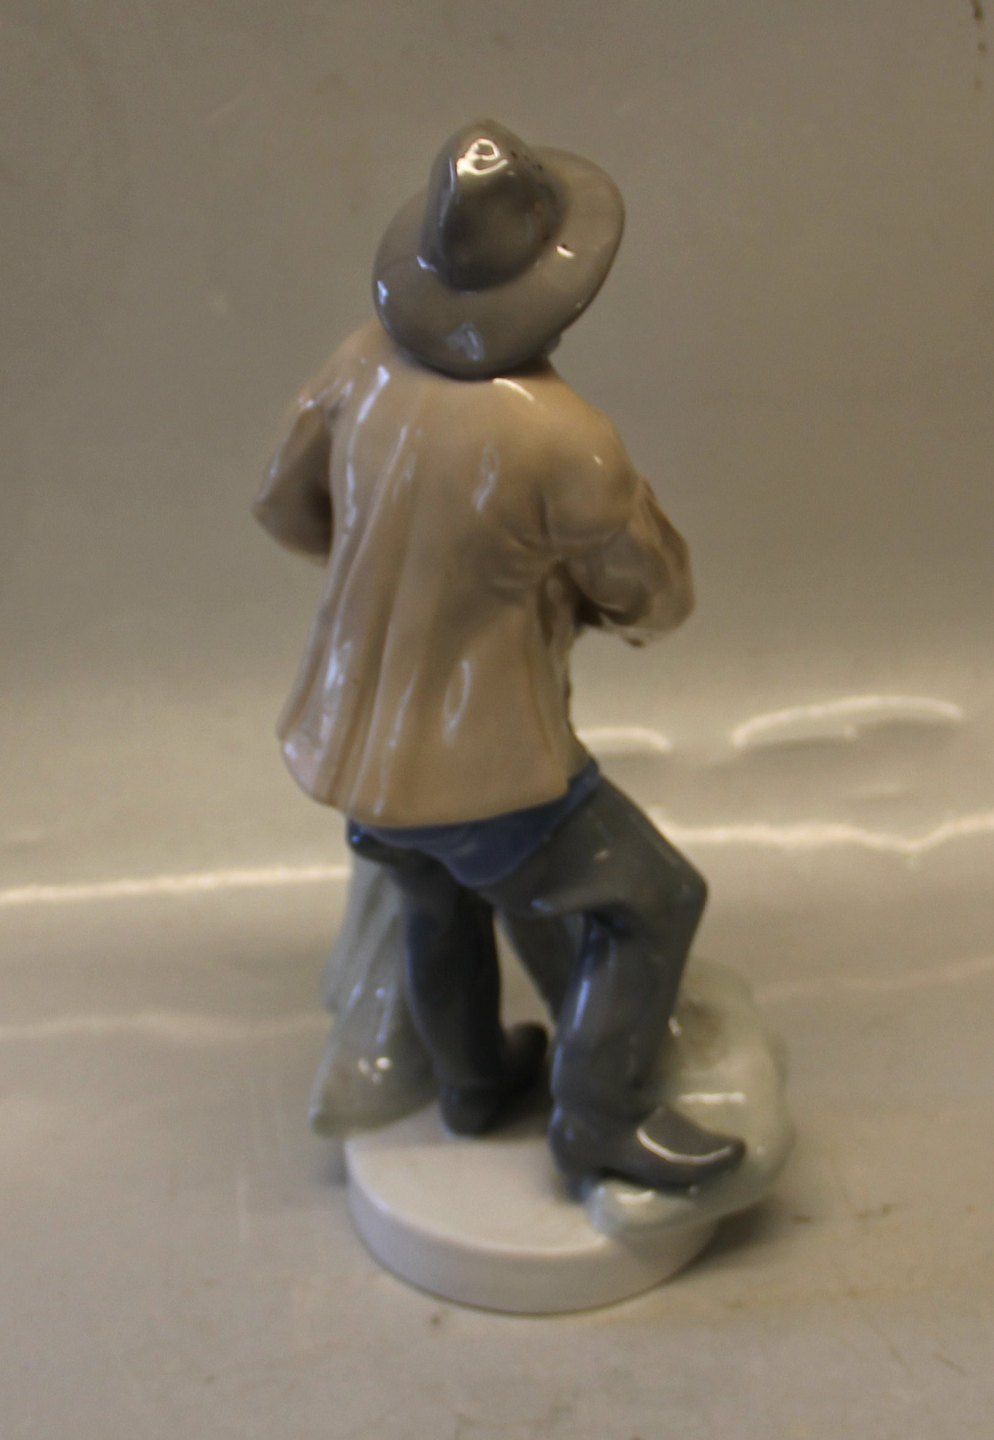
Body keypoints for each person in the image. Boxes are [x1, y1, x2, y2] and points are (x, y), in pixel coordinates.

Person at [255, 119, 745, 1189]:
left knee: (438, 901)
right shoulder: (562, 436)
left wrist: (391, 578)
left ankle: (473, 1081)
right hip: (479, 765)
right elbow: (653, 595)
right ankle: (601, 1119)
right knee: (654, 901)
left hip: (347, 743)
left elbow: (288, 510)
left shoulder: (358, 363)